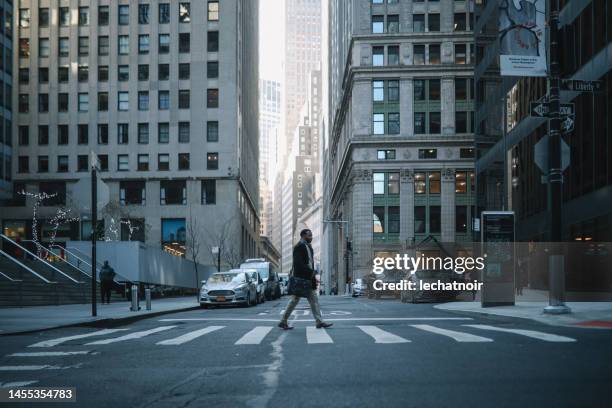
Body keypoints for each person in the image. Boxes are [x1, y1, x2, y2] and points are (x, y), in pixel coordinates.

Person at [278, 229, 332, 330]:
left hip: (308, 279)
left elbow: (309, 262)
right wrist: (310, 272)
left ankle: (319, 321)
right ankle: (283, 320)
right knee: (295, 300)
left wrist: (312, 273)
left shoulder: (309, 247)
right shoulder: (299, 247)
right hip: (301, 279)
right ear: (303, 236)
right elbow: (298, 264)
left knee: (313, 300)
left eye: (311, 235)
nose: (311, 237)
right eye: (309, 235)